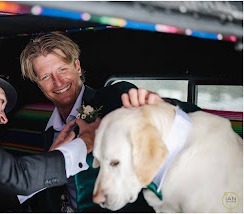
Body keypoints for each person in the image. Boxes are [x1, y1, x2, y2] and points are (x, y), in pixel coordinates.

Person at [20, 33, 201, 212]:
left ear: (77, 67)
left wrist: (162, 108)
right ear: (38, 84)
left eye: (62, 69)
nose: (58, 82)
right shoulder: (46, 130)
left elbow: (193, 117)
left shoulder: (114, 98)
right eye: (46, 77)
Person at [0, 62, 101, 212]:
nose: (4, 119)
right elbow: (16, 176)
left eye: (62, 69)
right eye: (2, 101)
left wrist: (52, 158)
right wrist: (85, 142)